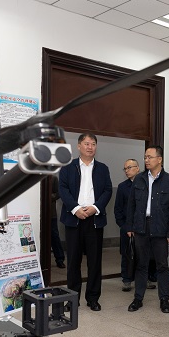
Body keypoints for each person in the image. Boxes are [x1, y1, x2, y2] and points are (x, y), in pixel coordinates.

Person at [58, 133, 113, 312]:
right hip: (74, 218)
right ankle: (72, 299)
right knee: (73, 261)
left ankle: (93, 298)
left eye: (93, 144)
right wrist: (75, 208)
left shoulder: (102, 168)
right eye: (87, 143)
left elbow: (107, 190)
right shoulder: (68, 168)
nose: (90, 147)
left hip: (94, 219)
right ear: (79, 146)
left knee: (95, 262)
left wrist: (95, 207)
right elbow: (63, 189)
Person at [125, 145, 169, 314]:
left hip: (160, 228)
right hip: (141, 226)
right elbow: (131, 205)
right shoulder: (139, 179)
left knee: (162, 265)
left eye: (150, 157)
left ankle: (164, 299)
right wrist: (130, 226)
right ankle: (138, 298)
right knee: (141, 264)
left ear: (159, 159)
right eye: (145, 157)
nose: (146, 160)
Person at [114, 158, 140, 292]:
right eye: (125, 168)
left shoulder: (145, 184)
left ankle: (143, 278)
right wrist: (123, 226)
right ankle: (127, 279)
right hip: (127, 227)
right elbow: (118, 209)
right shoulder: (122, 187)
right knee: (126, 254)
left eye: (129, 167)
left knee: (143, 254)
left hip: (142, 227)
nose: (126, 171)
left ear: (137, 168)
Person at [50, 176, 66, 268]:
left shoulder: (53, 177)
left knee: (54, 236)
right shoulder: (34, 176)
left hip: (51, 213)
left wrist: (50, 196)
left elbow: (58, 193)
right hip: (37, 212)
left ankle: (59, 259)